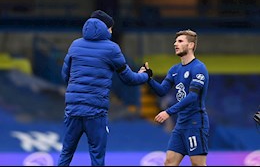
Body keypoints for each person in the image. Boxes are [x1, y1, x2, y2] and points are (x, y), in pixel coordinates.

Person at [58, 10, 149, 166]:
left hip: (73, 110)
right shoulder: (112, 49)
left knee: (66, 153)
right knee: (97, 157)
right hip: (95, 112)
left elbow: (64, 75)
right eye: (111, 28)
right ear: (105, 28)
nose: (112, 31)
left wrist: (77, 91)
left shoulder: (75, 45)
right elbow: (129, 78)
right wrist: (146, 75)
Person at [139, 29, 210, 166]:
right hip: (181, 125)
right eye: (175, 41)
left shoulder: (199, 68)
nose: (175, 44)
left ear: (191, 45)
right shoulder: (174, 70)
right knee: (169, 162)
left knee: (197, 164)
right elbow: (161, 90)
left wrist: (168, 112)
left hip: (195, 124)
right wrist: (148, 78)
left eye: (180, 41)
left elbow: (192, 97)